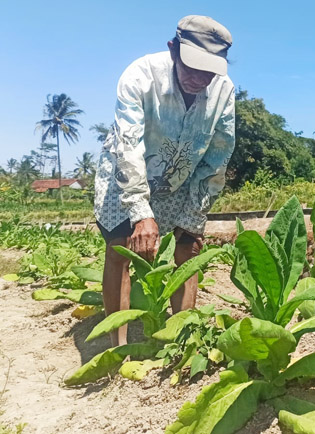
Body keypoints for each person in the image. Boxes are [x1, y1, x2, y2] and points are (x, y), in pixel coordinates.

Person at [93, 15, 235, 346]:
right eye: (193, 66)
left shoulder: (223, 91)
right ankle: (119, 349)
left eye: (209, 69)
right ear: (173, 49)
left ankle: (181, 343)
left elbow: (218, 154)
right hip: (125, 176)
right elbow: (128, 146)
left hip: (180, 180)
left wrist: (195, 216)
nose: (201, 78)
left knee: (188, 249)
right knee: (121, 251)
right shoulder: (140, 76)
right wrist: (141, 213)